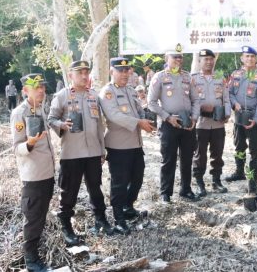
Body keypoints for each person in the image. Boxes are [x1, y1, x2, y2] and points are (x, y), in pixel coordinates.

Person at [48, 60, 114, 245]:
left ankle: (101, 220)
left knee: (96, 188)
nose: (84, 76)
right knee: (69, 191)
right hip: (72, 153)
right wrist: (62, 125)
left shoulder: (94, 96)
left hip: (93, 152)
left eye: (86, 73)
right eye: (80, 73)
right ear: (71, 76)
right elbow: (51, 118)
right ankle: (66, 227)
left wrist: (102, 150)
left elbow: (99, 125)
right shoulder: (62, 96)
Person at [99, 57, 155, 234]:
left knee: (137, 179)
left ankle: (128, 207)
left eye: (126, 70)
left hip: (135, 144)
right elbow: (115, 116)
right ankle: (118, 218)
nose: (124, 74)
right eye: (120, 70)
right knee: (119, 183)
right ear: (111, 72)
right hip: (118, 146)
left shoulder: (131, 91)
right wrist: (139, 122)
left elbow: (138, 110)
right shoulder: (107, 92)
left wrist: (147, 119)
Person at [10, 73, 54, 272]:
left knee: (40, 215)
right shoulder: (20, 113)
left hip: (47, 172)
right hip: (33, 175)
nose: (42, 91)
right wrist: (29, 143)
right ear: (25, 91)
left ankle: (36, 251)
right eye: (37, 87)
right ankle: (31, 260)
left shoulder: (41, 109)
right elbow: (16, 147)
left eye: (43, 87)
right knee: (33, 218)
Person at [148, 44, 201, 203]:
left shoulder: (187, 77)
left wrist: (195, 118)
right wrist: (167, 117)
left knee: (186, 158)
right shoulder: (159, 77)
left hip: (187, 123)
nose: (178, 60)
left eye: (180, 57)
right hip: (168, 123)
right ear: (167, 58)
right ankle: (165, 193)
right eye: (174, 57)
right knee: (168, 159)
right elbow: (151, 102)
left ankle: (186, 190)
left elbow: (196, 100)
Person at [224, 46, 257, 194]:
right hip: (238, 120)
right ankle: (239, 171)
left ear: (256, 59)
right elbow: (229, 93)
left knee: (255, 152)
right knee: (239, 147)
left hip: (254, 121)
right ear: (242, 58)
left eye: (252, 56)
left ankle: (252, 181)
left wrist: (255, 118)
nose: (249, 59)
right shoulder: (235, 75)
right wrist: (234, 103)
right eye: (247, 56)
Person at [191, 49, 231, 197]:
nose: (209, 62)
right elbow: (190, 101)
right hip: (201, 124)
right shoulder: (193, 78)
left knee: (217, 153)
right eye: (205, 59)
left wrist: (227, 113)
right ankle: (200, 183)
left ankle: (216, 181)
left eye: (211, 59)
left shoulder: (220, 77)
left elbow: (226, 98)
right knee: (199, 155)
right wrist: (201, 108)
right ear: (200, 61)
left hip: (218, 123)